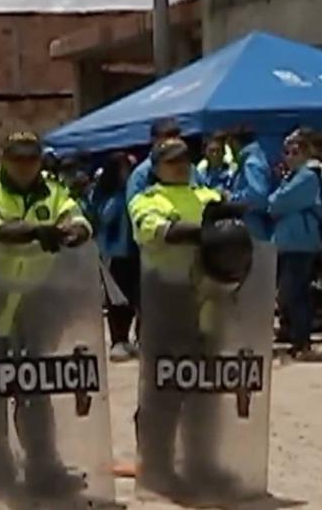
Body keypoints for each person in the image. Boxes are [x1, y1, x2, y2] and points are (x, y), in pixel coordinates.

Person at [0, 131, 91, 486]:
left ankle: (43, 462)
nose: (25, 166)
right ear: (4, 159)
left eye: (32, 158)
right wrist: (36, 232)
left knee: (35, 378)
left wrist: (74, 233)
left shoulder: (54, 189)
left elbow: (79, 220)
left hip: (34, 296)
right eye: (17, 159)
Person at [129, 137, 247, 500]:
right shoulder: (147, 200)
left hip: (210, 300)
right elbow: (157, 231)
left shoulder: (208, 196)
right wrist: (207, 233)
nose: (180, 165)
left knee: (205, 390)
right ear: (156, 167)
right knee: (163, 390)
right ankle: (157, 467)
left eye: (183, 159)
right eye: (171, 161)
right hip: (165, 300)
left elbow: (234, 228)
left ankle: (201, 463)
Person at [270, 128, 322, 360]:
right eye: (287, 152)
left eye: (295, 152)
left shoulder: (308, 177)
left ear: (307, 152)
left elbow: (278, 202)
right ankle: (295, 338)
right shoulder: (292, 176)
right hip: (288, 243)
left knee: (294, 294)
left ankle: (302, 342)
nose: (289, 157)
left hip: (301, 244)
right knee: (289, 294)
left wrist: (276, 200)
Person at [89, 152, 141, 361]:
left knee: (133, 297)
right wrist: (121, 197)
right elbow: (104, 217)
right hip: (113, 253)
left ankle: (130, 339)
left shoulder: (133, 191)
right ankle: (118, 340)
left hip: (133, 251)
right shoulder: (104, 194)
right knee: (116, 299)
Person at [228, 131, 280, 241]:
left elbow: (258, 196)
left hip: (254, 231)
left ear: (234, 142)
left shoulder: (252, 162)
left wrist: (231, 199)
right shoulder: (255, 157)